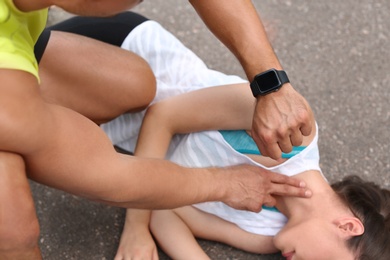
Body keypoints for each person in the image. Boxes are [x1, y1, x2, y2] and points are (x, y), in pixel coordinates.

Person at [44, 13, 388, 259]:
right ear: (347, 227)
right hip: (122, 58)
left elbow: (167, 211)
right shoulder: (291, 136)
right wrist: (135, 228)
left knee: (37, 135)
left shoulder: (267, 237)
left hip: (101, 125)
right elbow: (162, 116)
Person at [0, 1, 311, 259]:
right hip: (9, 100)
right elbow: (105, 173)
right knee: (15, 232)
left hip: (15, 55)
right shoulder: (12, 108)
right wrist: (223, 184)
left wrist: (271, 83)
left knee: (133, 86)